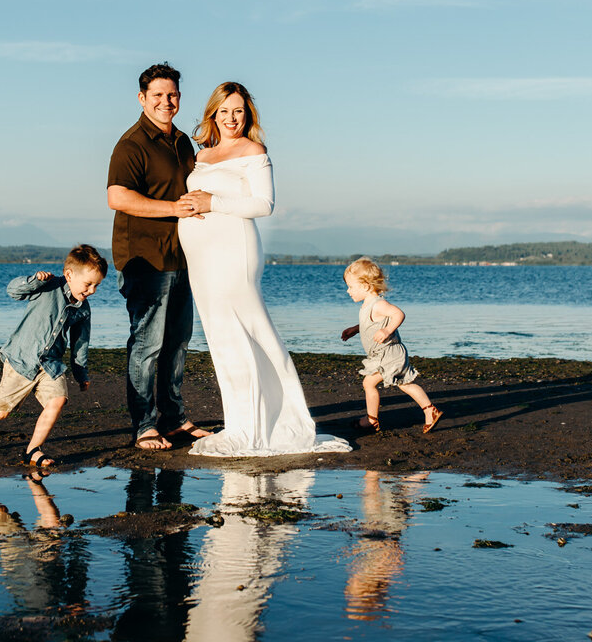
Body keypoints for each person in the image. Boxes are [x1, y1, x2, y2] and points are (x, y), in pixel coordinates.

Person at [176, 81, 350, 456]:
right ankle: (240, 423)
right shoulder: (202, 154)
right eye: (224, 111)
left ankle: (277, 422)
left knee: (251, 333)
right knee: (222, 340)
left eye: (238, 110)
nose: (231, 118)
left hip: (234, 250)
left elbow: (264, 204)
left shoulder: (253, 150)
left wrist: (212, 202)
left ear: (247, 113)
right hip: (201, 257)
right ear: (213, 113)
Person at [107, 63, 211, 450]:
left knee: (178, 343)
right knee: (146, 344)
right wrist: (173, 209)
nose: (166, 102)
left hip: (183, 257)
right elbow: (117, 197)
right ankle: (145, 426)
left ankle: (175, 420)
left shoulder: (183, 141)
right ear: (142, 98)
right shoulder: (131, 144)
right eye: (158, 96)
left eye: (172, 95)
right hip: (145, 260)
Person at [0, 244, 108, 467]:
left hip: (50, 365)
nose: (92, 290)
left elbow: (80, 343)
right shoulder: (47, 286)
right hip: (22, 361)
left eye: (97, 285)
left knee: (58, 400)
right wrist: (34, 280)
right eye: (88, 284)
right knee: (1, 411)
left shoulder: (83, 309)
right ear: (69, 274)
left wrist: (81, 373)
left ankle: (33, 450)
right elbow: (13, 291)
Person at [341, 257, 443, 434]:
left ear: (365, 286)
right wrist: (355, 329)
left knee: (388, 383)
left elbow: (399, 314)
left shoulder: (379, 304)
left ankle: (427, 411)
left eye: (351, 286)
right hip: (380, 355)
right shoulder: (367, 304)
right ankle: (375, 419)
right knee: (387, 384)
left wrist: (387, 330)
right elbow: (371, 324)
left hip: (390, 354)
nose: (348, 291)